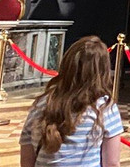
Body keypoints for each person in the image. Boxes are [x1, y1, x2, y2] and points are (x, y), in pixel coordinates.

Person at [19, 35, 124, 167]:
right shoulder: (104, 108)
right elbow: (112, 163)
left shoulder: (41, 104)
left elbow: (27, 159)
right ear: (102, 71)